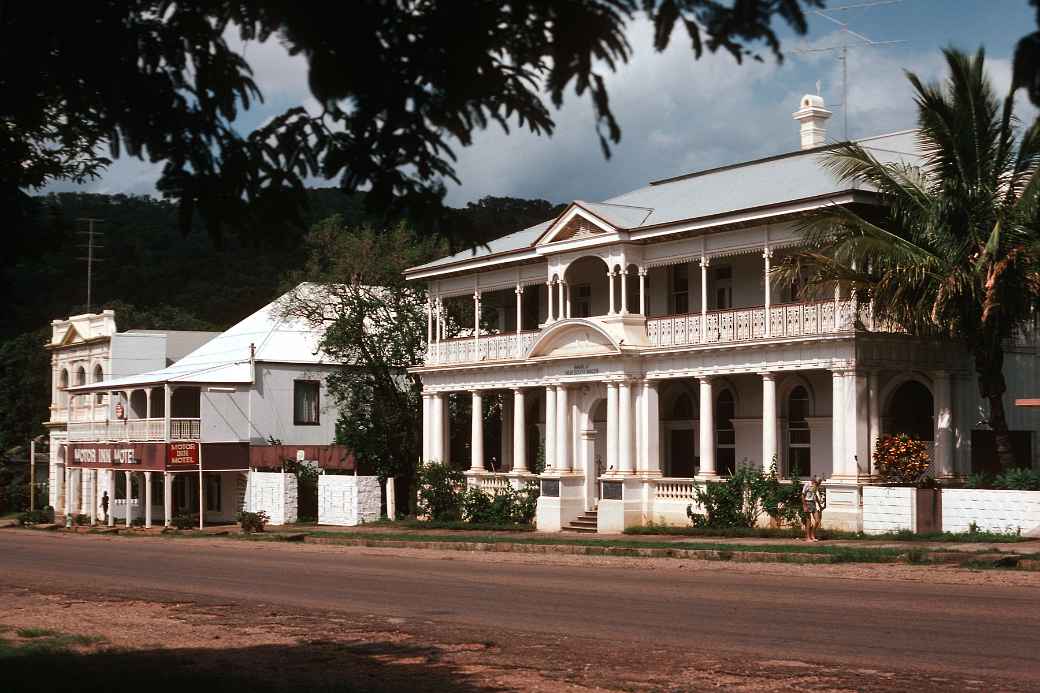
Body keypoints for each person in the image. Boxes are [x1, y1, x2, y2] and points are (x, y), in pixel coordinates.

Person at [801, 476, 824, 541]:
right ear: (814, 481)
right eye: (818, 483)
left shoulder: (816, 486)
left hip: (813, 503)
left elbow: (815, 495)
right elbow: (802, 495)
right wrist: (804, 506)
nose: (818, 484)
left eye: (819, 483)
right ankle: (808, 537)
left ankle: (812, 534)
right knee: (808, 521)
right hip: (807, 503)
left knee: (817, 521)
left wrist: (819, 505)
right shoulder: (807, 484)